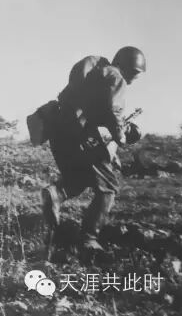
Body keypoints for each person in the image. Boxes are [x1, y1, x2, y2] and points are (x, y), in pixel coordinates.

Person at [40, 46, 146, 251]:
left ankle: (55, 194)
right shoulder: (116, 76)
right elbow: (114, 109)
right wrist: (122, 135)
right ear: (130, 67)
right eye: (136, 74)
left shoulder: (96, 76)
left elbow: (98, 110)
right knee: (108, 189)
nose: (134, 79)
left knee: (77, 180)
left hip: (61, 133)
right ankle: (89, 239)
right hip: (85, 136)